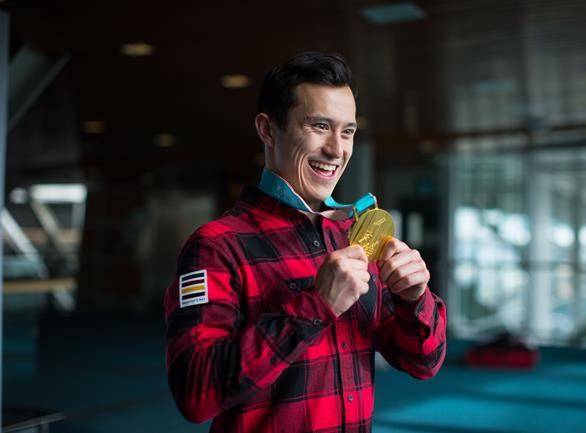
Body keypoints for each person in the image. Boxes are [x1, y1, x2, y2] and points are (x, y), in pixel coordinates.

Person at [163, 51, 446, 433]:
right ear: (267, 129)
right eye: (319, 126)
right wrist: (317, 304)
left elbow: (422, 364)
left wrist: (415, 300)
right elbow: (195, 395)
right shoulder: (217, 246)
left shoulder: (351, 239)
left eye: (347, 131)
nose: (336, 149)